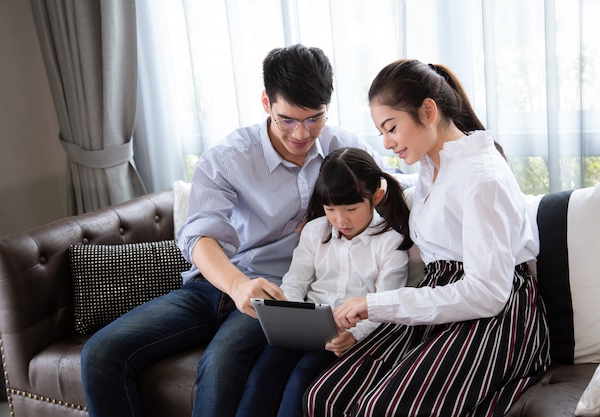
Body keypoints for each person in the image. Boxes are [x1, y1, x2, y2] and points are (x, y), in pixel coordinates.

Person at [80, 44, 405, 417]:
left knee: (221, 365)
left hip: (278, 293)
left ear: (327, 109)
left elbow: (395, 190)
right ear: (266, 102)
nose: (301, 133)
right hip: (214, 285)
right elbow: (198, 234)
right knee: (101, 353)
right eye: (287, 119)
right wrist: (235, 285)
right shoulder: (229, 156)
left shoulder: (344, 148)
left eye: (314, 119)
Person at [305, 59, 551, 417]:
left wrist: (376, 304)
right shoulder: (431, 163)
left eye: (391, 128)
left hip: (493, 313)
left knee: (382, 408)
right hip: (440, 296)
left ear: (428, 111)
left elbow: (487, 294)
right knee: (325, 395)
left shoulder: (483, 178)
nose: (388, 143)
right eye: (381, 133)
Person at [236, 147, 412, 417]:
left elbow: (385, 305)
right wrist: (290, 316)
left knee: (301, 380)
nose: (340, 220)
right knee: (262, 375)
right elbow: (295, 282)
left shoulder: (391, 244)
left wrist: (354, 335)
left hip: (347, 335)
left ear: (376, 197)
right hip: (303, 329)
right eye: (331, 209)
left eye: (351, 209)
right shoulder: (314, 231)